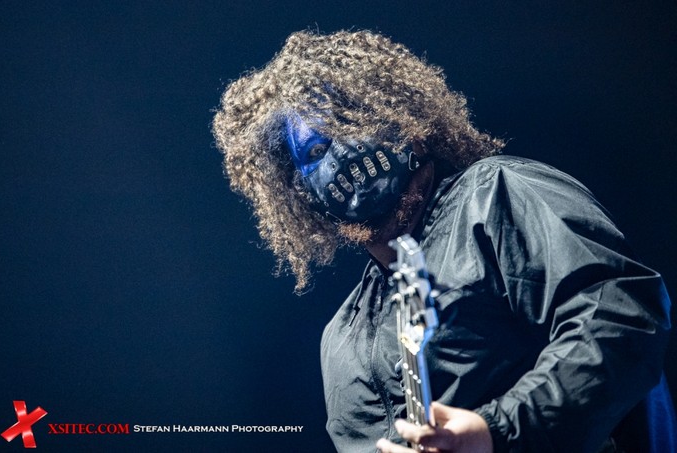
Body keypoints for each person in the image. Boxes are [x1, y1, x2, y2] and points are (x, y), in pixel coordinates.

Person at [212, 30, 676, 452]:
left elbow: (619, 313)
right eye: (315, 151)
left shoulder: (497, 194)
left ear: (403, 119)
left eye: (348, 121)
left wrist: (497, 432)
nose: (340, 153)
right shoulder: (341, 341)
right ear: (302, 194)